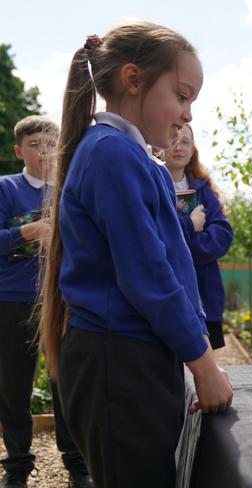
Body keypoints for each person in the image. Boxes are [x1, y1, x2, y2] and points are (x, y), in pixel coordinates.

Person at [38, 22, 233, 488]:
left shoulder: (132, 155)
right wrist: (203, 364)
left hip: (133, 357)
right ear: (132, 80)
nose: (187, 115)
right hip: (118, 363)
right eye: (182, 96)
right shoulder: (113, 154)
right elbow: (149, 276)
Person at [0, 117, 92, 488]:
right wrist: (28, 231)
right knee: (14, 387)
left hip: (64, 300)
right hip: (12, 301)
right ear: (19, 151)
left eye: (51, 143)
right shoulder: (6, 188)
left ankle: (76, 465)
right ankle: (18, 467)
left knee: (66, 384)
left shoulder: (71, 189)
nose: (44, 151)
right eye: (35, 144)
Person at [165, 124, 233, 350]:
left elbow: (222, 235)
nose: (178, 147)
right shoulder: (152, 184)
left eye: (185, 142)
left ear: (193, 149)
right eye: (173, 140)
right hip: (166, 288)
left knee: (203, 360)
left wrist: (187, 245)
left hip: (203, 289)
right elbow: (157, 238)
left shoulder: (203, 189)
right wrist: (190, 225)